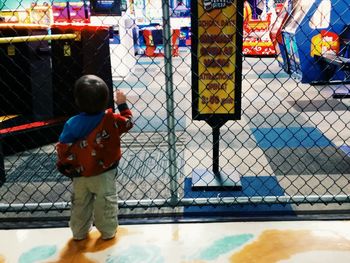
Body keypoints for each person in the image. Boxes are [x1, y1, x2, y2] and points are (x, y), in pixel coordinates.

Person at [56, 74, 133, 241]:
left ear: (77, 101)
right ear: (106, 100)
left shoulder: (72, 123)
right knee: (106, 201)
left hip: (80, 174)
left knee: (80, 203)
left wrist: (66, 165)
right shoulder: (110, 119)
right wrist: (122, 104)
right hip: (105, 171)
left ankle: (79, 233)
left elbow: (63, 147)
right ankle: (107, 232)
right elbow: (128, 122)